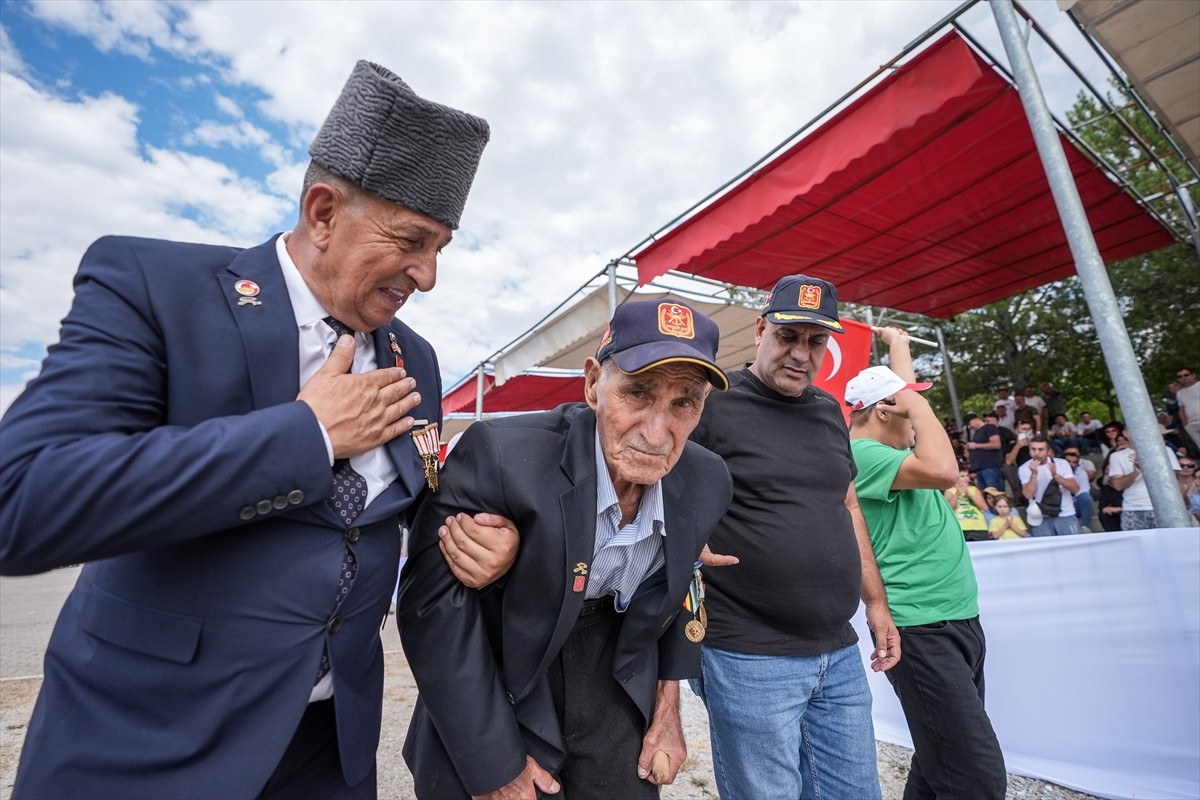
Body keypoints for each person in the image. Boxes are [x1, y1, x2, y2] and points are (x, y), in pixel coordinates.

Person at [0, 61, 517, 799]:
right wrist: (303, 436)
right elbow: (22, 503)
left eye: (441, 248)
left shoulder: (417, 359)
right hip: (152, 747)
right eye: (411, 240)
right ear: (323, 211)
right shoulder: (155, 287)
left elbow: (405, 513)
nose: (428, 276)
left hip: (327, 753)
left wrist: (476, 541)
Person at [398, 300, 734, 800]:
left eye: (684, 402)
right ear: (593, 383)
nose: (658, 431)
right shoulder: (501, 453)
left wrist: (667, 713)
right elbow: (432, 608)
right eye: (638, 393)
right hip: (502, 666)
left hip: (615, 674)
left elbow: (683, 582)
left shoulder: (706, 479)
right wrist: (492, 762)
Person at [687, 275, 900, 800]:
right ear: (761, 329)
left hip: (838, 651)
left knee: (856, 792)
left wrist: (876, 602)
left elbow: (847, 504)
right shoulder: (712, 402)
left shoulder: (828, 411)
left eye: (815, 341)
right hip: (747, 653)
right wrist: (684, 538)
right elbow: (656, 478)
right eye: (788, 336)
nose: (801, 354)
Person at [846, 328, 1007, 800]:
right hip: (920, 628)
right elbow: (944, 471)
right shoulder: (862, 453)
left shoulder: (889, 450)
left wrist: (899, 346)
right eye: (907, 406)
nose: (920, 417)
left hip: (951, 620)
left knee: (941, 760)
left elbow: (904, 405)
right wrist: (915, 405)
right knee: (976, 776)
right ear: (885, 410)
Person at [1106, 427, 1181, 530]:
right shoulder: (1116, 456)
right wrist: (1136, 471)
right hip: (1133, 509)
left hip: (1165, 507)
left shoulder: (1165, 450)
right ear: (1125, 433)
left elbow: (1174, 481)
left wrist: (1148, 466)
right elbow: (1118, 486)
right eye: (1132, 428)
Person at [1018, 436, 1081, 536]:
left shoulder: (1062, 463)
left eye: (1041, 449)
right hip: (1040, 516)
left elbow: (1075, 489)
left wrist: (1056, 476)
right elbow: (1028, 495)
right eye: (1033, 449)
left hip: (1065, 513)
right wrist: (1033, 474)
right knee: (1045, 550)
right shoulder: (1024, 468)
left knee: (1072, 549)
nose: (1037, 453)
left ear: (1048, 451)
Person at [945, 467, 991, 542]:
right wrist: (957, 494)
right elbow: (948, 509)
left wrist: (970, 494)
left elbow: (985, 508)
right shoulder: (950, 491)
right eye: (962, 476)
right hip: (960, 528)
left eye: (967, 476)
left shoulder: (974, 489)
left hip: (978, 527)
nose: (966, 478)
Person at [963, 412, 1006, 492]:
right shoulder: (976, 433)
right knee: (986, 494)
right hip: (980, 469)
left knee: (994, 492)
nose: (970, 427)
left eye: (970, 424)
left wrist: (976, 445)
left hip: (990, 467)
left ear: (976, 420)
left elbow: (996, 444)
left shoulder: (989, 427)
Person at [1062, 447, 1096, 531]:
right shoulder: (1055, 472)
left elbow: (1082, 492)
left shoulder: (1081, 473)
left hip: (1075, 504)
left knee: (1086, 497)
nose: (1071, 464)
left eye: (1074, 462)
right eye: (1068, 461)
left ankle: (1085, 527)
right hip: (1059, 506)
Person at [1176, 367, 1200, 451]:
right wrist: (1186, 425)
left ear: (1193, 375)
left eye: (1186, 375)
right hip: (1192, 424)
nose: (1183, 378)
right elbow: (1182, 409)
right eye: (1180, 376)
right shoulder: (1179, 393)